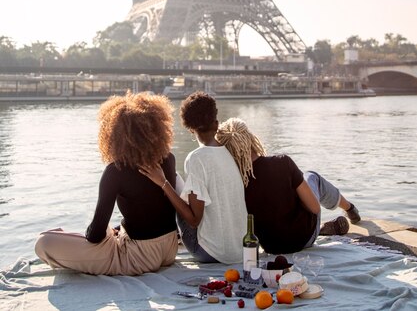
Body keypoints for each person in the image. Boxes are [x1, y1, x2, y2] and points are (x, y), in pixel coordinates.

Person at [35, 92, 178, 275]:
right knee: (110, 231)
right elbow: (159, 211)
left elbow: (95, 236)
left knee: (44, 242)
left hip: (139, 259)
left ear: (113, 135)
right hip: (169, 249)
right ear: (157, 128)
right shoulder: (168, 159)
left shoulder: (115, 171)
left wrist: (96, 233)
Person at [216, 117, 361, 255]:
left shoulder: (234, 182)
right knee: (311, 177)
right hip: (303, 239)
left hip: (271, 246)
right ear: (250, 137)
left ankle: (325, 228)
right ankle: (350, 208)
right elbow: (315, 208)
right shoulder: (282, 162)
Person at [140, 91, 247, 264]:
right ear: (216, 124)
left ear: (190, 129)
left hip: (212, 253)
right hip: (239, 251)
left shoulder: (196, 158)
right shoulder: (229, 152)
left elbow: (194, 220)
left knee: (173, 186)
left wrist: (163, 183)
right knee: (181, 186)